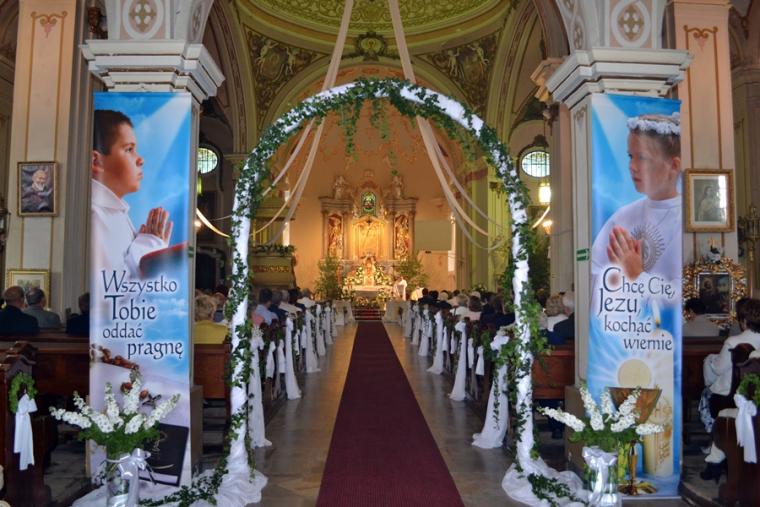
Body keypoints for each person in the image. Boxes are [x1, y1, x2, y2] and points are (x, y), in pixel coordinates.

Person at [591, 112, 681, 285]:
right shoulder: (622, 217)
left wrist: (637, 275)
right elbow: (594, 273)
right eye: (631, 156)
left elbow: (681, 292)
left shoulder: (684, 219)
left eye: (643, 158)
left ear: (673, 165)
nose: (632, 167)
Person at [91, 109, 173, 278]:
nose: (140, 160)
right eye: (129, 149)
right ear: (97, 161)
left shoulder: (113, 211)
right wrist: (149, 246)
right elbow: (113, 287)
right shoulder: (95, 215)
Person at [700, 298, 760, 480]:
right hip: (755, 399)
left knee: (707, 395)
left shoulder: (734, 341)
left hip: (731, 397)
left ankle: (717, 450)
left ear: (744, 321)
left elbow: (718, 368)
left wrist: (710, 361)